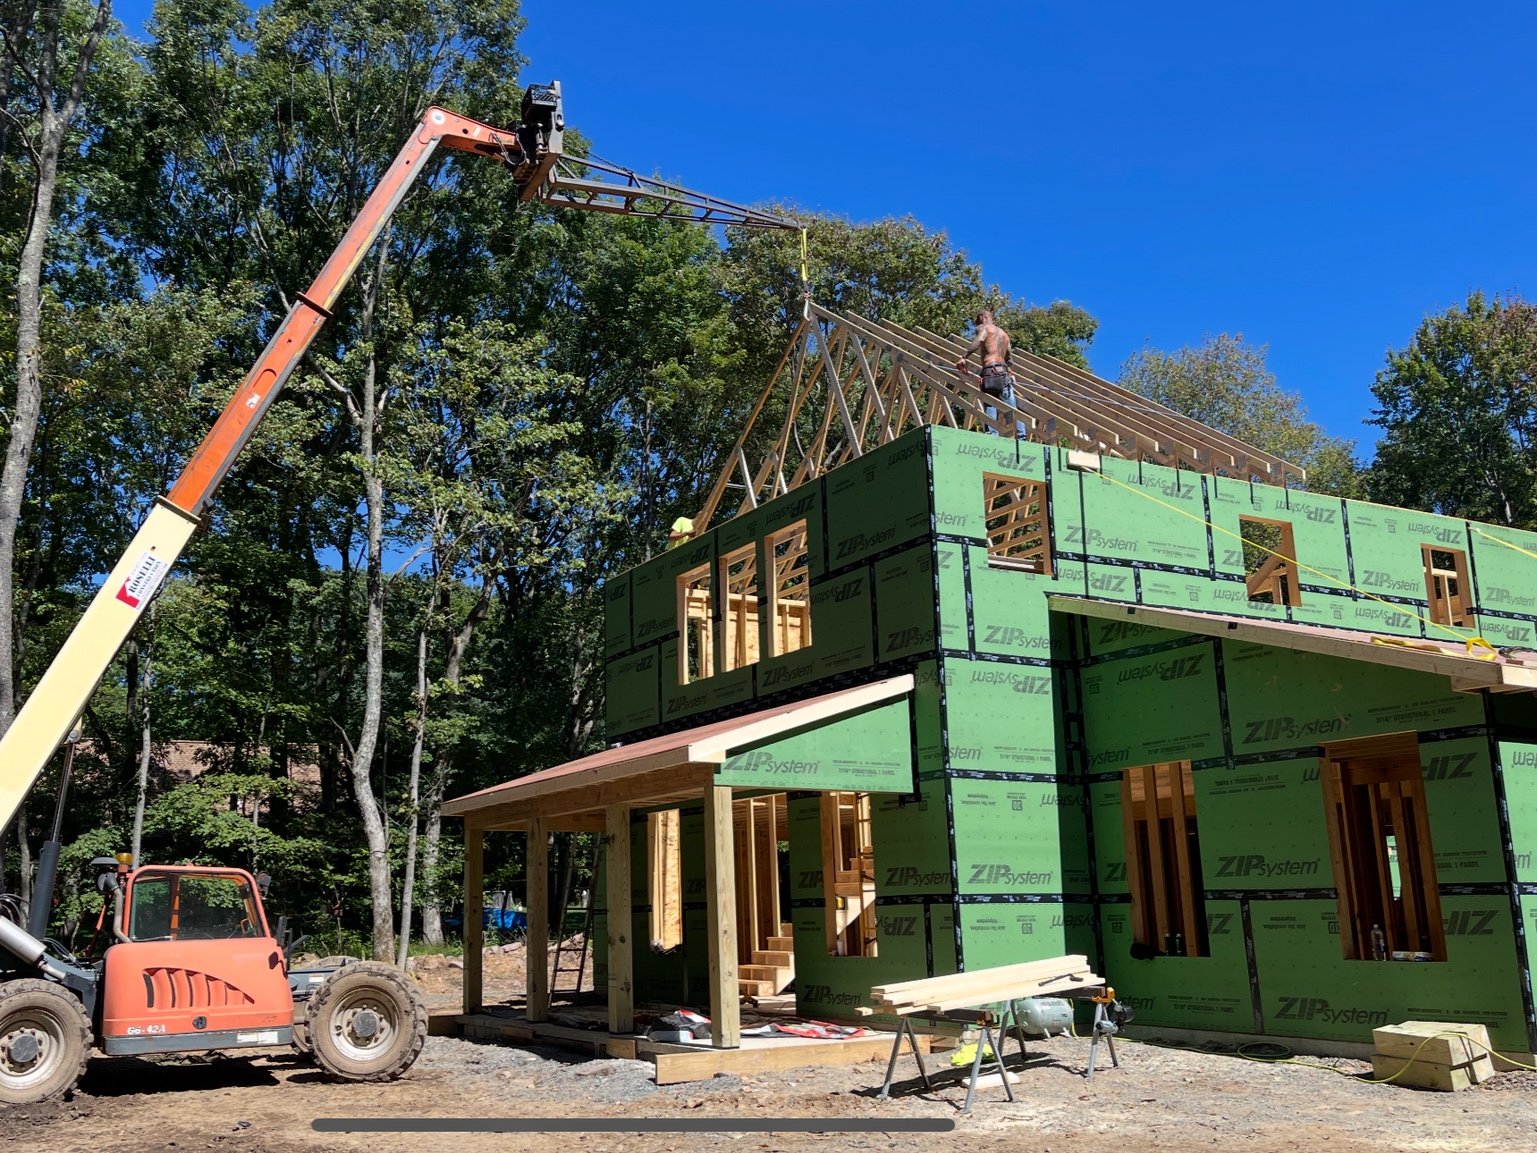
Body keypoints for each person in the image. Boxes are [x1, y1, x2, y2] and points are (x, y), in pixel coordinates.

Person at [955, 309, 1022, 435]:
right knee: (1012, 408)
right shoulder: (1004, 334)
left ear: (981, 317)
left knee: (990, 404)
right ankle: (1021, 436)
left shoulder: (984, 328)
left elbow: (979, 340)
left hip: (990, 372)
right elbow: (1009, 359)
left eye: (977, 321)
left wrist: (964, 357)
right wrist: (1010, 373)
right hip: (1004, 374)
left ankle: (992, 436)